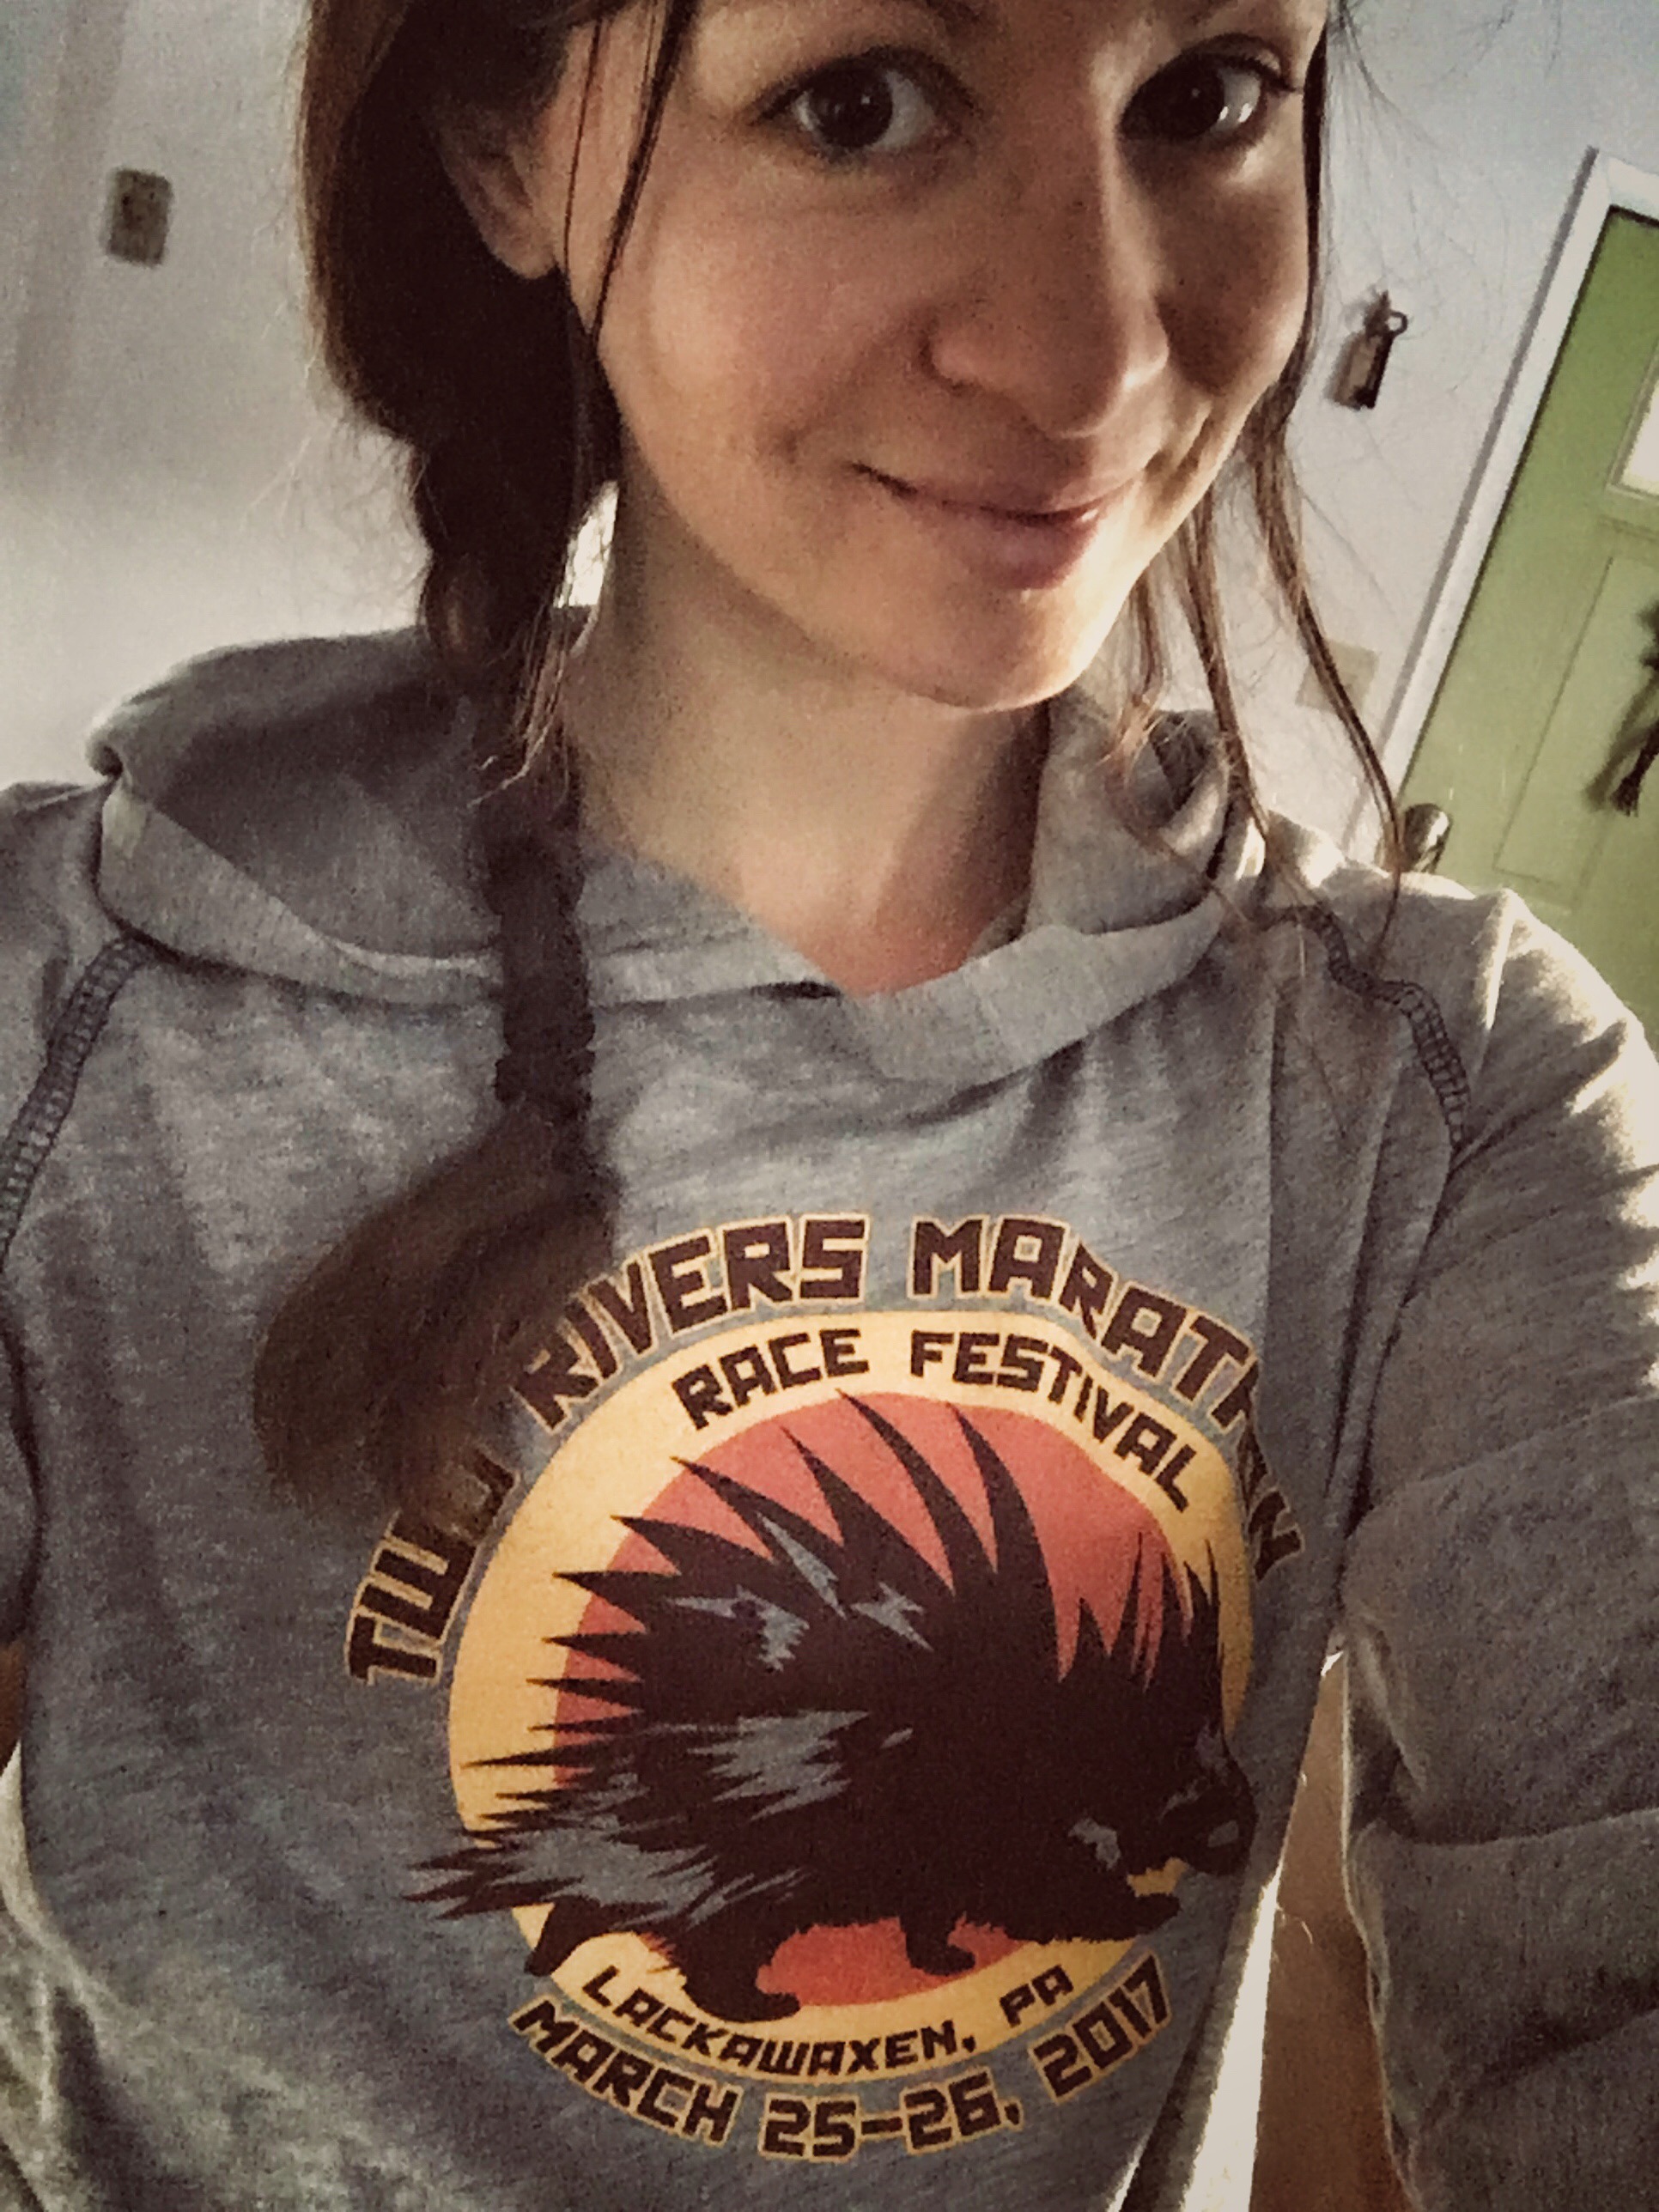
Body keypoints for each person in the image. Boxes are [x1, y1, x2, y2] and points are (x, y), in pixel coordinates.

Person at [0, 0, 1653, 2201]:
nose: (1093, 359)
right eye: (857, 104)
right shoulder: (71, 1022)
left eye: (1207, 96)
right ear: (503, 153)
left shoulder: (1454, 1103)